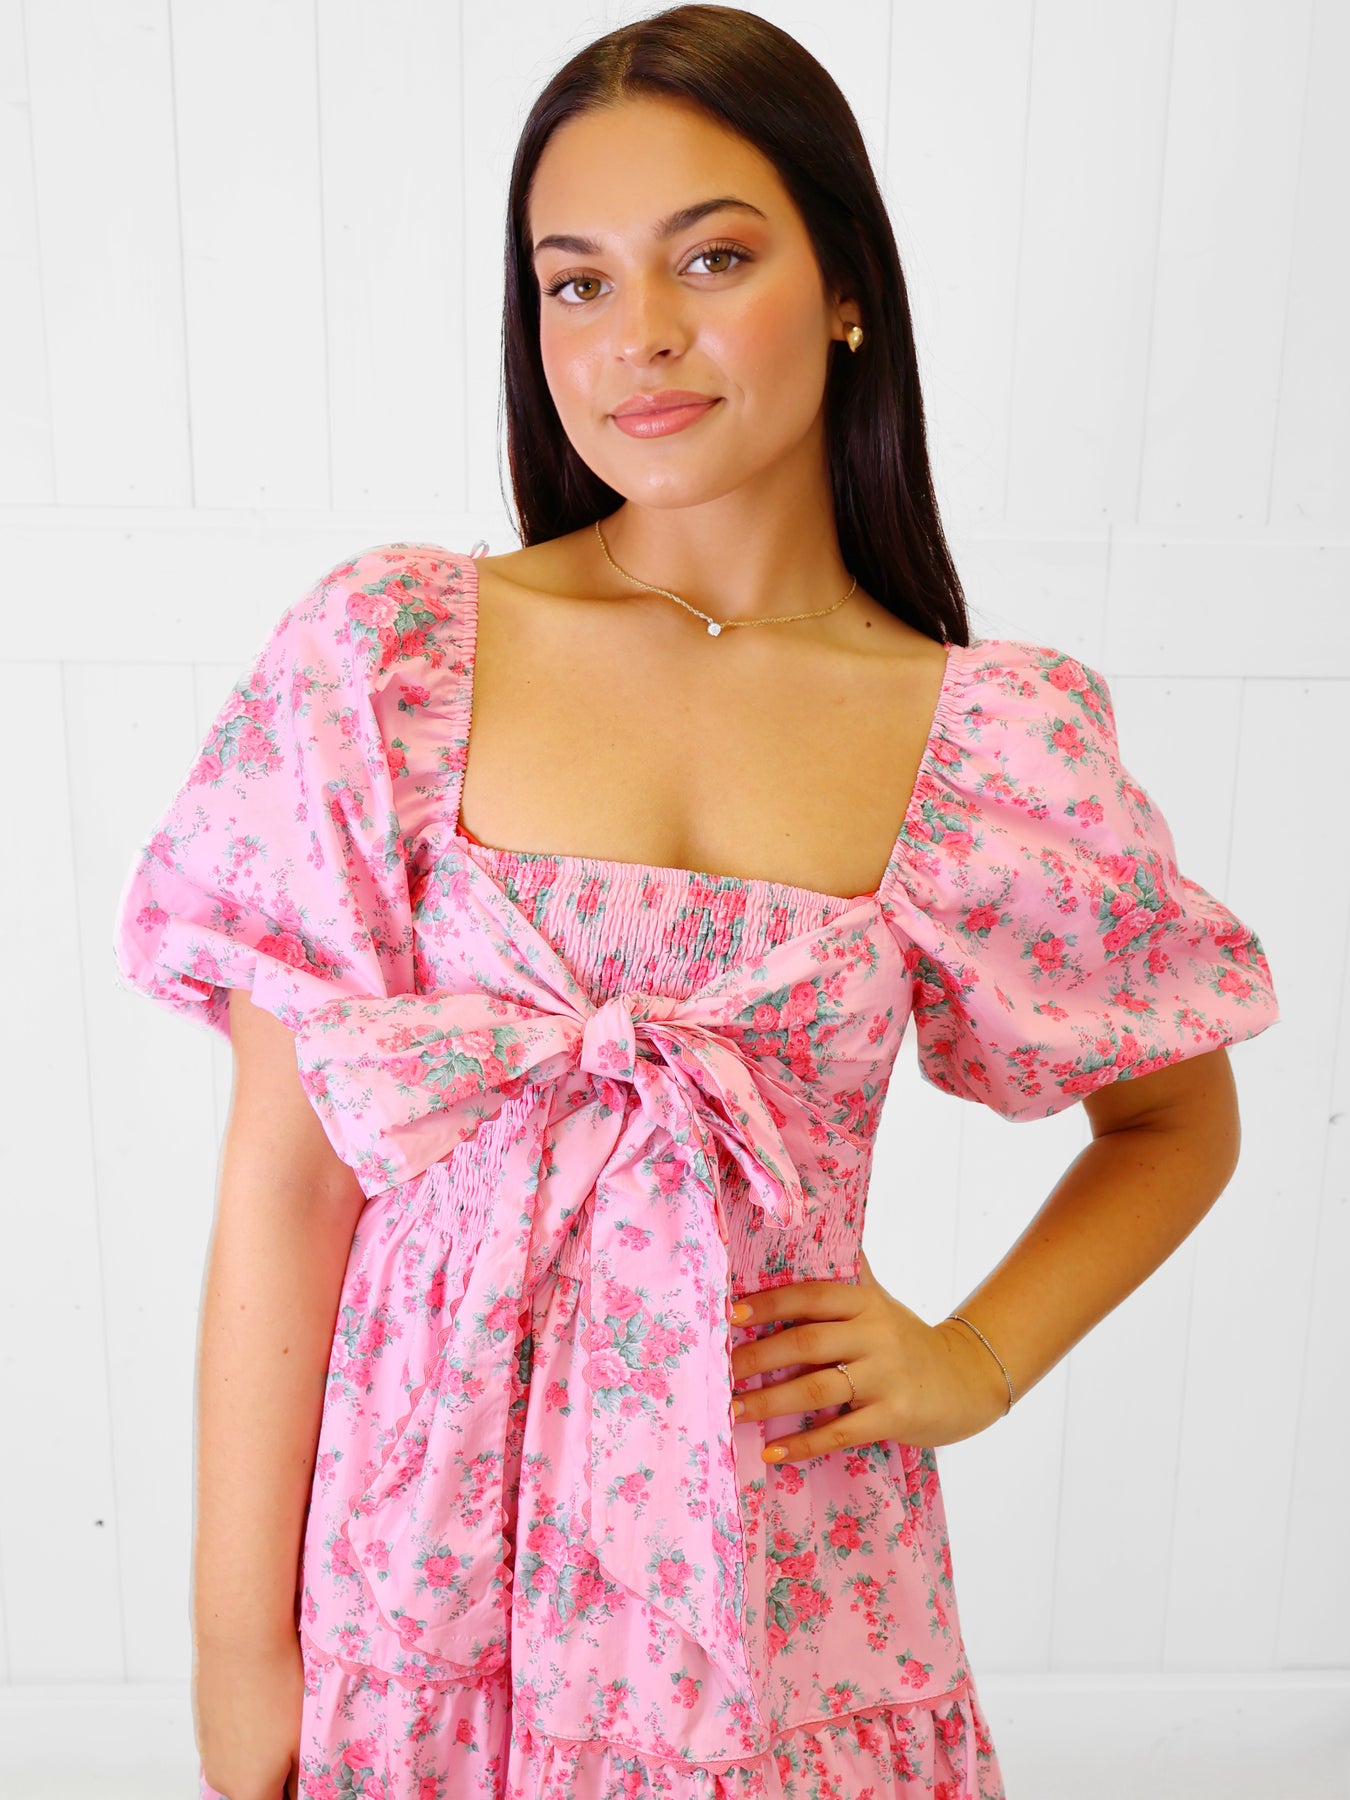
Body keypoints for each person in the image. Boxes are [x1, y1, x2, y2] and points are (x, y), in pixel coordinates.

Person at [112, 7, 1281, 1798]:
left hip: (779, 1565)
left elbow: (1172, 1121)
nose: (636, 334)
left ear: (845, 287)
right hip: (420, 1576)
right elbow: (284, 1180)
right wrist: (233, 1645)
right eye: (573, 283)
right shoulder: (390, 657)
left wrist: (971, 1359)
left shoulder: (987, 740)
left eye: (711, 259)